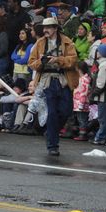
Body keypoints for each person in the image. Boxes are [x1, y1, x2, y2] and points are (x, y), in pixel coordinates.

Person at [28, 16, 78, 156]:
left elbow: (73, 60)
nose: (45, 30)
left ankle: (51, 132)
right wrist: (41, 62)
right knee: (51, 113)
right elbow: (31, 63)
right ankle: (52, 145)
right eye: (44, 27)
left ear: (56, 28)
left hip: (63, 79)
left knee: (66, 110)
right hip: (46, 81)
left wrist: (58, 60)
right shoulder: (39, 43)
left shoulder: (67, 42)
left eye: (49, 27)